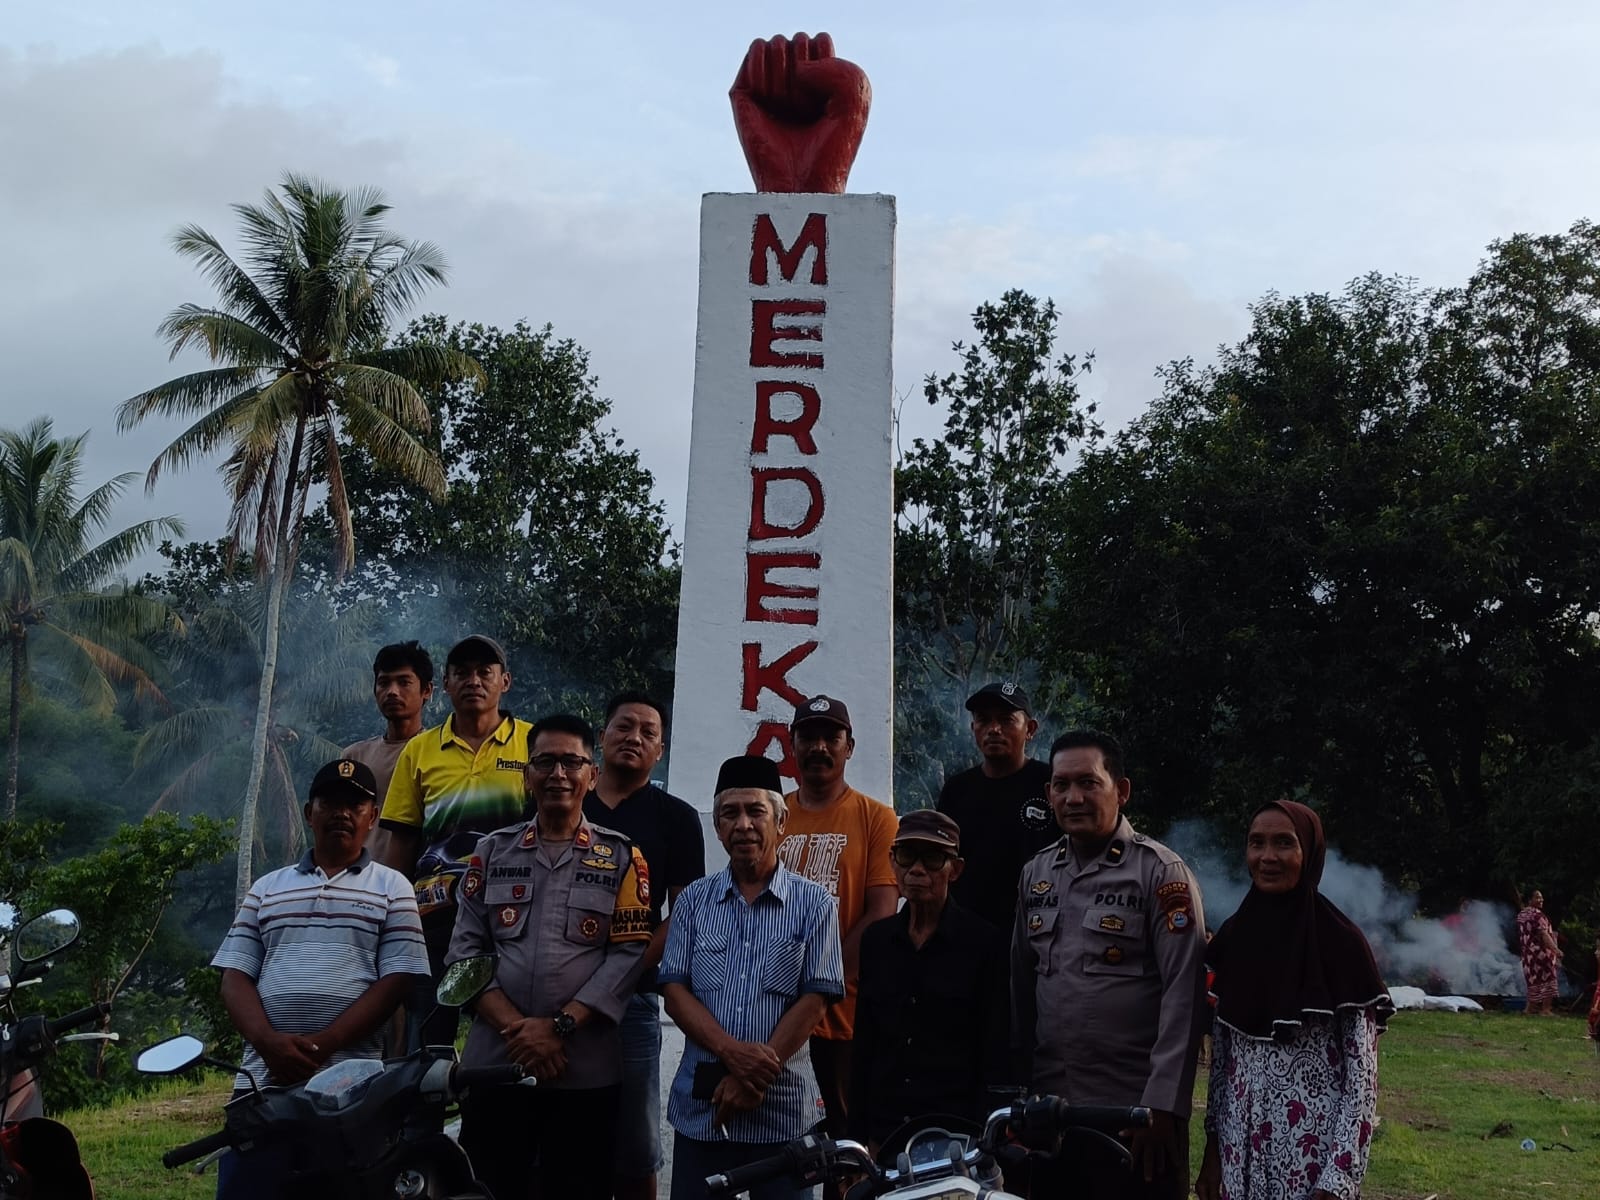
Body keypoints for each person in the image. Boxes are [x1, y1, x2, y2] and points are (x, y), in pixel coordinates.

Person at [446, 713, 652, 1200]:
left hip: (584, 1069)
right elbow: (464, 953)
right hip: (498, 1063)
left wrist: (558, 1028)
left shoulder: (623, 857)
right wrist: (522, 1033)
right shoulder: (491, 853)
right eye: (544, 762)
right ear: (527, 775)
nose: (558, 774)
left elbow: (629, 957)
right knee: (488, 1188)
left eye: (571, 762)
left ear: (591, 775)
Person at [211, 758, 429, 1200]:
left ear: (372, 817)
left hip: (353, 1092)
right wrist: (269, 1044)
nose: (341, 813)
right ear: (310, 813)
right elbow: (234, 977)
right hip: (261, 1086)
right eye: (329, 803)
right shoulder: (267, 888)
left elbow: (398, 980)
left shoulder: (394, 888)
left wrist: (323, 1044)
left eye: (355, 805)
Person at [1012, 730, 1207, 1200]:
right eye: (1061, 785)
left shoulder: (1160, 873)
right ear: (1048, 794)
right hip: (1052, 1112)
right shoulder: (1036, 874)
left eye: (1088, 783)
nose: (1073, 797)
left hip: (1135, 1117)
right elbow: (1020, 988)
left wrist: (1163, 1107)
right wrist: (1020, 1093)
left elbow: (1185, 996)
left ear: (1121, 790)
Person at [660, 755, 845, 1200]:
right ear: (717, 827)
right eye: (730, 813)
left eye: (755, 811)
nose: (743, 825)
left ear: (780, 822)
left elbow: (816, 999)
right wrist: (732, 1053)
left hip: (781, 1111)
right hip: (703, 1109)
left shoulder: (815, 903)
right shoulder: (693, 902)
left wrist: (753, 1076)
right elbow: (674, 990)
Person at [1195, 801, 1392, 1200]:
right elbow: (1222, 1065)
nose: (1267, 856)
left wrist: (1337, 1179)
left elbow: (1361, 1080)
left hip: (1311, 1164)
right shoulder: (1234, 939)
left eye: (1284, 843)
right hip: (1238, 1158)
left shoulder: (1341, 945)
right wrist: (1212, 1152)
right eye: (1257, 843)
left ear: (1310, 852)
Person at [378, 634, 535, 1048]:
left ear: (505, 681)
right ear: (446, 684)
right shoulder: (420, 750)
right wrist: (395, 916)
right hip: (435, 916)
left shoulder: (533, 744)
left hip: (512, 915)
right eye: (462, 673)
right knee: (428, 1038)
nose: (474, 681)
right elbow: (402, 842)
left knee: (506, 1036)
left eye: (485, 672)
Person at [583, 691, 707, 1200]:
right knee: (563, 1133)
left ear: (661, 749)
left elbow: (684, 912)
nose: (634, 737)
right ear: (601, 737)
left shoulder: (675, 817)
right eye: (624, 726)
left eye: (648, 732)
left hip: (632, 995)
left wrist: (625, 974)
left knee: (635, 1140)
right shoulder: (568, 800)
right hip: (553, 989)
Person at [778, 694, 899, 1157]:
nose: (820, 747)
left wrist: (819, 985)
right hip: (774, 1009)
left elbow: (881, 912)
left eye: (832, 737)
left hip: (844, 1013)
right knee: (785, 1142)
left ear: (850, 746)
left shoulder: (876, 818)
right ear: (792, 745)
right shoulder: (773, 815)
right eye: (808, 737)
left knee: (847, 1143)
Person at [849, 809, 1010, 1153]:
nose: (917, 870)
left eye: (933, 858)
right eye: (907, 856)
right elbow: (864, 1043)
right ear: (892, 862)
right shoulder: (876, 941)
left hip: (956, 1132)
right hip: (886, 1129)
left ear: (956, 869)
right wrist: (858, 1138)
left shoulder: (984, 944)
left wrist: (985, 1139)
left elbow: (994, 1048)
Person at [938, 682, 1056, 930]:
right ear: (973, 728)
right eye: (983, 720)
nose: (994, 729)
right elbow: (941, 861)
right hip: (967, 931)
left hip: (1038, 928)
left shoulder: (1052, 784)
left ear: (1030, 729)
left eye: (1006, 720)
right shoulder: (957, 789)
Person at [342, 640, 435, 817]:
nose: (392, 691)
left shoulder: (438, 753)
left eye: (404, 682)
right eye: (384, 683)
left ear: (427, 690)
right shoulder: (354, 757)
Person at [1516, 890, 1562, 1016]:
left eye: (1541, 897)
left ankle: (1529, 1009)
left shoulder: (1521, 915)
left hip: (1528, 955)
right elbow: (1543, 934)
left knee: (1533, 981)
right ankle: (1546, 1009)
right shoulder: (1537, 915)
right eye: (1537, 898)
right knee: (1549, 979)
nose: (1541, 900)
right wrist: (1555, 949)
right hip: (1541, 954)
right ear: (1529, 900)